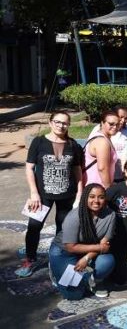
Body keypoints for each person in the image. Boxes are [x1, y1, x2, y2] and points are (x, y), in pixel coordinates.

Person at [16, 111, 83, 277]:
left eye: (65, 123)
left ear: (69, 125)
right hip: (41, 195)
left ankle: (58, 261)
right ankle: (30, 259)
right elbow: (29, 168)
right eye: (58, 122)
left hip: (67, 195)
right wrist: (33, 193)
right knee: (34, 227)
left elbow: (78, 171)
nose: (61, 125)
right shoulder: (39, 142)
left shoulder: (73, 145)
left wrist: (79, 193)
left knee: (63, 229)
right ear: (51, 122)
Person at [48, 183, 116, 299]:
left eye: (101, 197)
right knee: (74, 295)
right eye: (92, 196)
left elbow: (104, 244)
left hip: (87, 251)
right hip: (64, 251)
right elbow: (70, 247)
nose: (96, 201)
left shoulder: (110, 215)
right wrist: (99, 248)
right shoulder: (74, 216)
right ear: (85, 198)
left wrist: (86, 258)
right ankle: (55, 271)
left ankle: (93, 281)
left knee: (107, 261)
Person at [88, 105, 127, 182]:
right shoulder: (101, 130)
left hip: (122, 175)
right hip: (100, 179)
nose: (123, 120)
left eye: (125, 118)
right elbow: (102, 167)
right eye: (121, 117)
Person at [84, 111, 119, 188]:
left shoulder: (104, 139)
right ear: (102, 123)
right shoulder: (102, 142)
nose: (115, 127)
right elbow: (102, 168)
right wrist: (108, 188)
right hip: (97, 188)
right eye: (111, 124)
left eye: (117, 124)